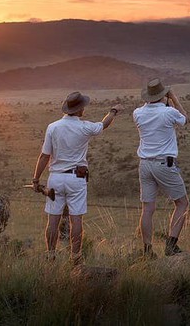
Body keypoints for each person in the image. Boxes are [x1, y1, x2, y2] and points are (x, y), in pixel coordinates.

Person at [32, 91, 122, 263]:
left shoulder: (53, 127)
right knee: (76, 219)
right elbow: (104, 125)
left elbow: (44, 156)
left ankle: (51, 255)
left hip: (55, 178)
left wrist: (36, 179)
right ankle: (75, 257)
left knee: (53, 219)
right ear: (80, 110)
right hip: (76, 179)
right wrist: (113, 111)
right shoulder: (85, 127)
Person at [133, 78, 190, 258]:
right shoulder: (168, 112)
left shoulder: (137, 113)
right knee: (182, 203)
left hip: (144, 164)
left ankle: (147, 250)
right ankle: (171, 245)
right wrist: (173, 98)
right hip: (164, 163)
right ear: (163, 95)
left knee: (147, 209)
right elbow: (185, 119)